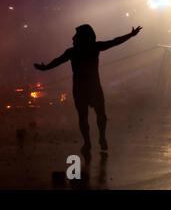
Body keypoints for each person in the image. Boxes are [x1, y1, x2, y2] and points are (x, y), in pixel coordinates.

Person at [34, 24, 142, 154]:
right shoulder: (92, 48)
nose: (73, 38)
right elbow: (114, 42)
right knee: (96, 115)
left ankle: (90, 142)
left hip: (83, 88)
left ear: (83, 37)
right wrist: (130, 35)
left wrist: (45, 68)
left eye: (76, 36)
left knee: (85, 116)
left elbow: (57, 61)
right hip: (91, 87)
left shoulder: (75, 51)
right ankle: (97, 139)